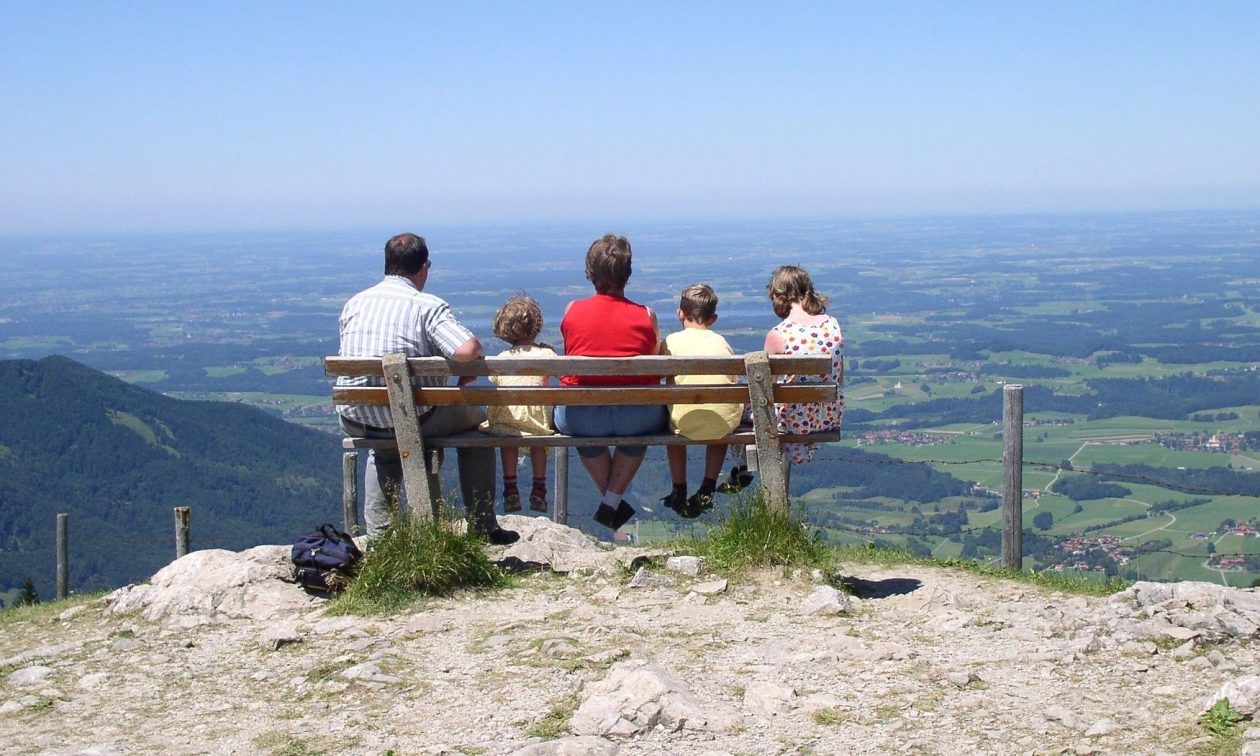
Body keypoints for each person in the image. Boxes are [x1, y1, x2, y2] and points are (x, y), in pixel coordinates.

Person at [335, 233, 518, 545]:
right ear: (423, 268)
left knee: (385, 447)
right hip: (415, 417)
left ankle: (380, 538)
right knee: (479, 429)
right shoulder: (427, 307)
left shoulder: (355, 303)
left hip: (356, 416)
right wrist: (473, 356)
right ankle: (482, 525)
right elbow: (465, 349)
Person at [556, 234, 666, 531]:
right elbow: (653, 359)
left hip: (582, 414)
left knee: (584, 435)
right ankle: (611, 501)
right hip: (638, 415)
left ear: (590, 272)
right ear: (627, 274)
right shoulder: (646, 315)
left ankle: (611, 501)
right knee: (638, 436)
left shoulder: (572, 311)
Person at [660, 284, 744, 518]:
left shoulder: (671, 342)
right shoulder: (722, 343)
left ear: (680, 313)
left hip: (683, 423)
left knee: (672, 428)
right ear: (713, 318)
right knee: (720, 414)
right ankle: (707, 486)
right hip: (723, 423)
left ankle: (679, 487)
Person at [479, 294, 556, 513]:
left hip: (506, 418)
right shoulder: (546, 353)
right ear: (536, 326)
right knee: (538, 442)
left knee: (508, 439)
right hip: (536, 420)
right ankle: (539, 489)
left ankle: (510, 488)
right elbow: (552, 374)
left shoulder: (502, 357)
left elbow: (495, 380)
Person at [764, 265, 844, 465]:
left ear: (777, 295)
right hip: (828, 416)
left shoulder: (779, 334)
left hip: (793, 421)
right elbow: (839, 378)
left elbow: (764, 391)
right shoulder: (832, 325)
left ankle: (743, 466)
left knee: (742, 409)